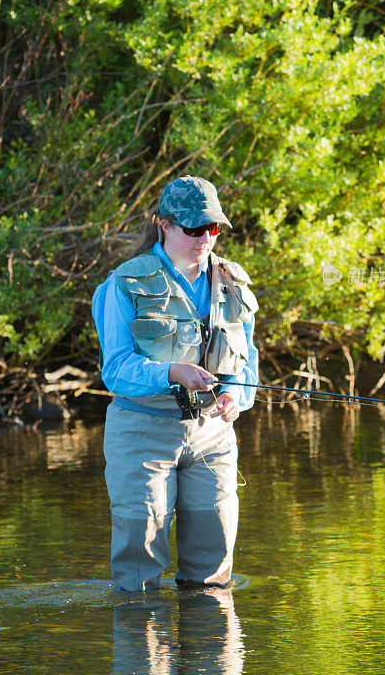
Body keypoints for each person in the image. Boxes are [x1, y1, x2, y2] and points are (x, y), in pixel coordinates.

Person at [92, 176, 259, 592]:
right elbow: (115, 369)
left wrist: (235, 393)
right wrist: (172, 372)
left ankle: (212, 653)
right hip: (142, 431)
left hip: (213, 435)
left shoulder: (232, 282)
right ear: (163, 225)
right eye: (194, 228)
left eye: (213, 228)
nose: (205, 238)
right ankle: (142, 650)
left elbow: (247, 361)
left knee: (213, 573)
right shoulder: (123, 284)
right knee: (138, 575)